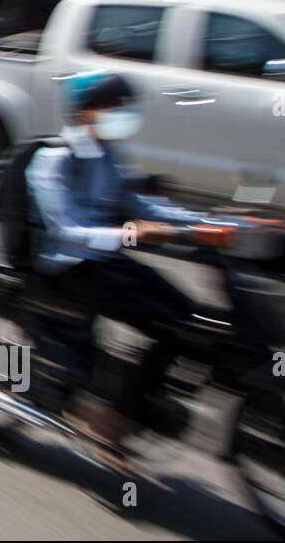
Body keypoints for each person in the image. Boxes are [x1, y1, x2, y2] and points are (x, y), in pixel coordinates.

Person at [25, 70, 206, 470]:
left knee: (191, 319)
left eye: (123, 107)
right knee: (166, 323)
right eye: (113, 107)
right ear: (87, 113)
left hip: (107, 258)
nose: (122, 114)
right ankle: (109, 420)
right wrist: (128, 233)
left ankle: (141, 398)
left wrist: (204, 225)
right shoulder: (54, 158)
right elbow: (67, 232)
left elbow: (144, 207)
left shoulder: (109, 156)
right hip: (68, 266)